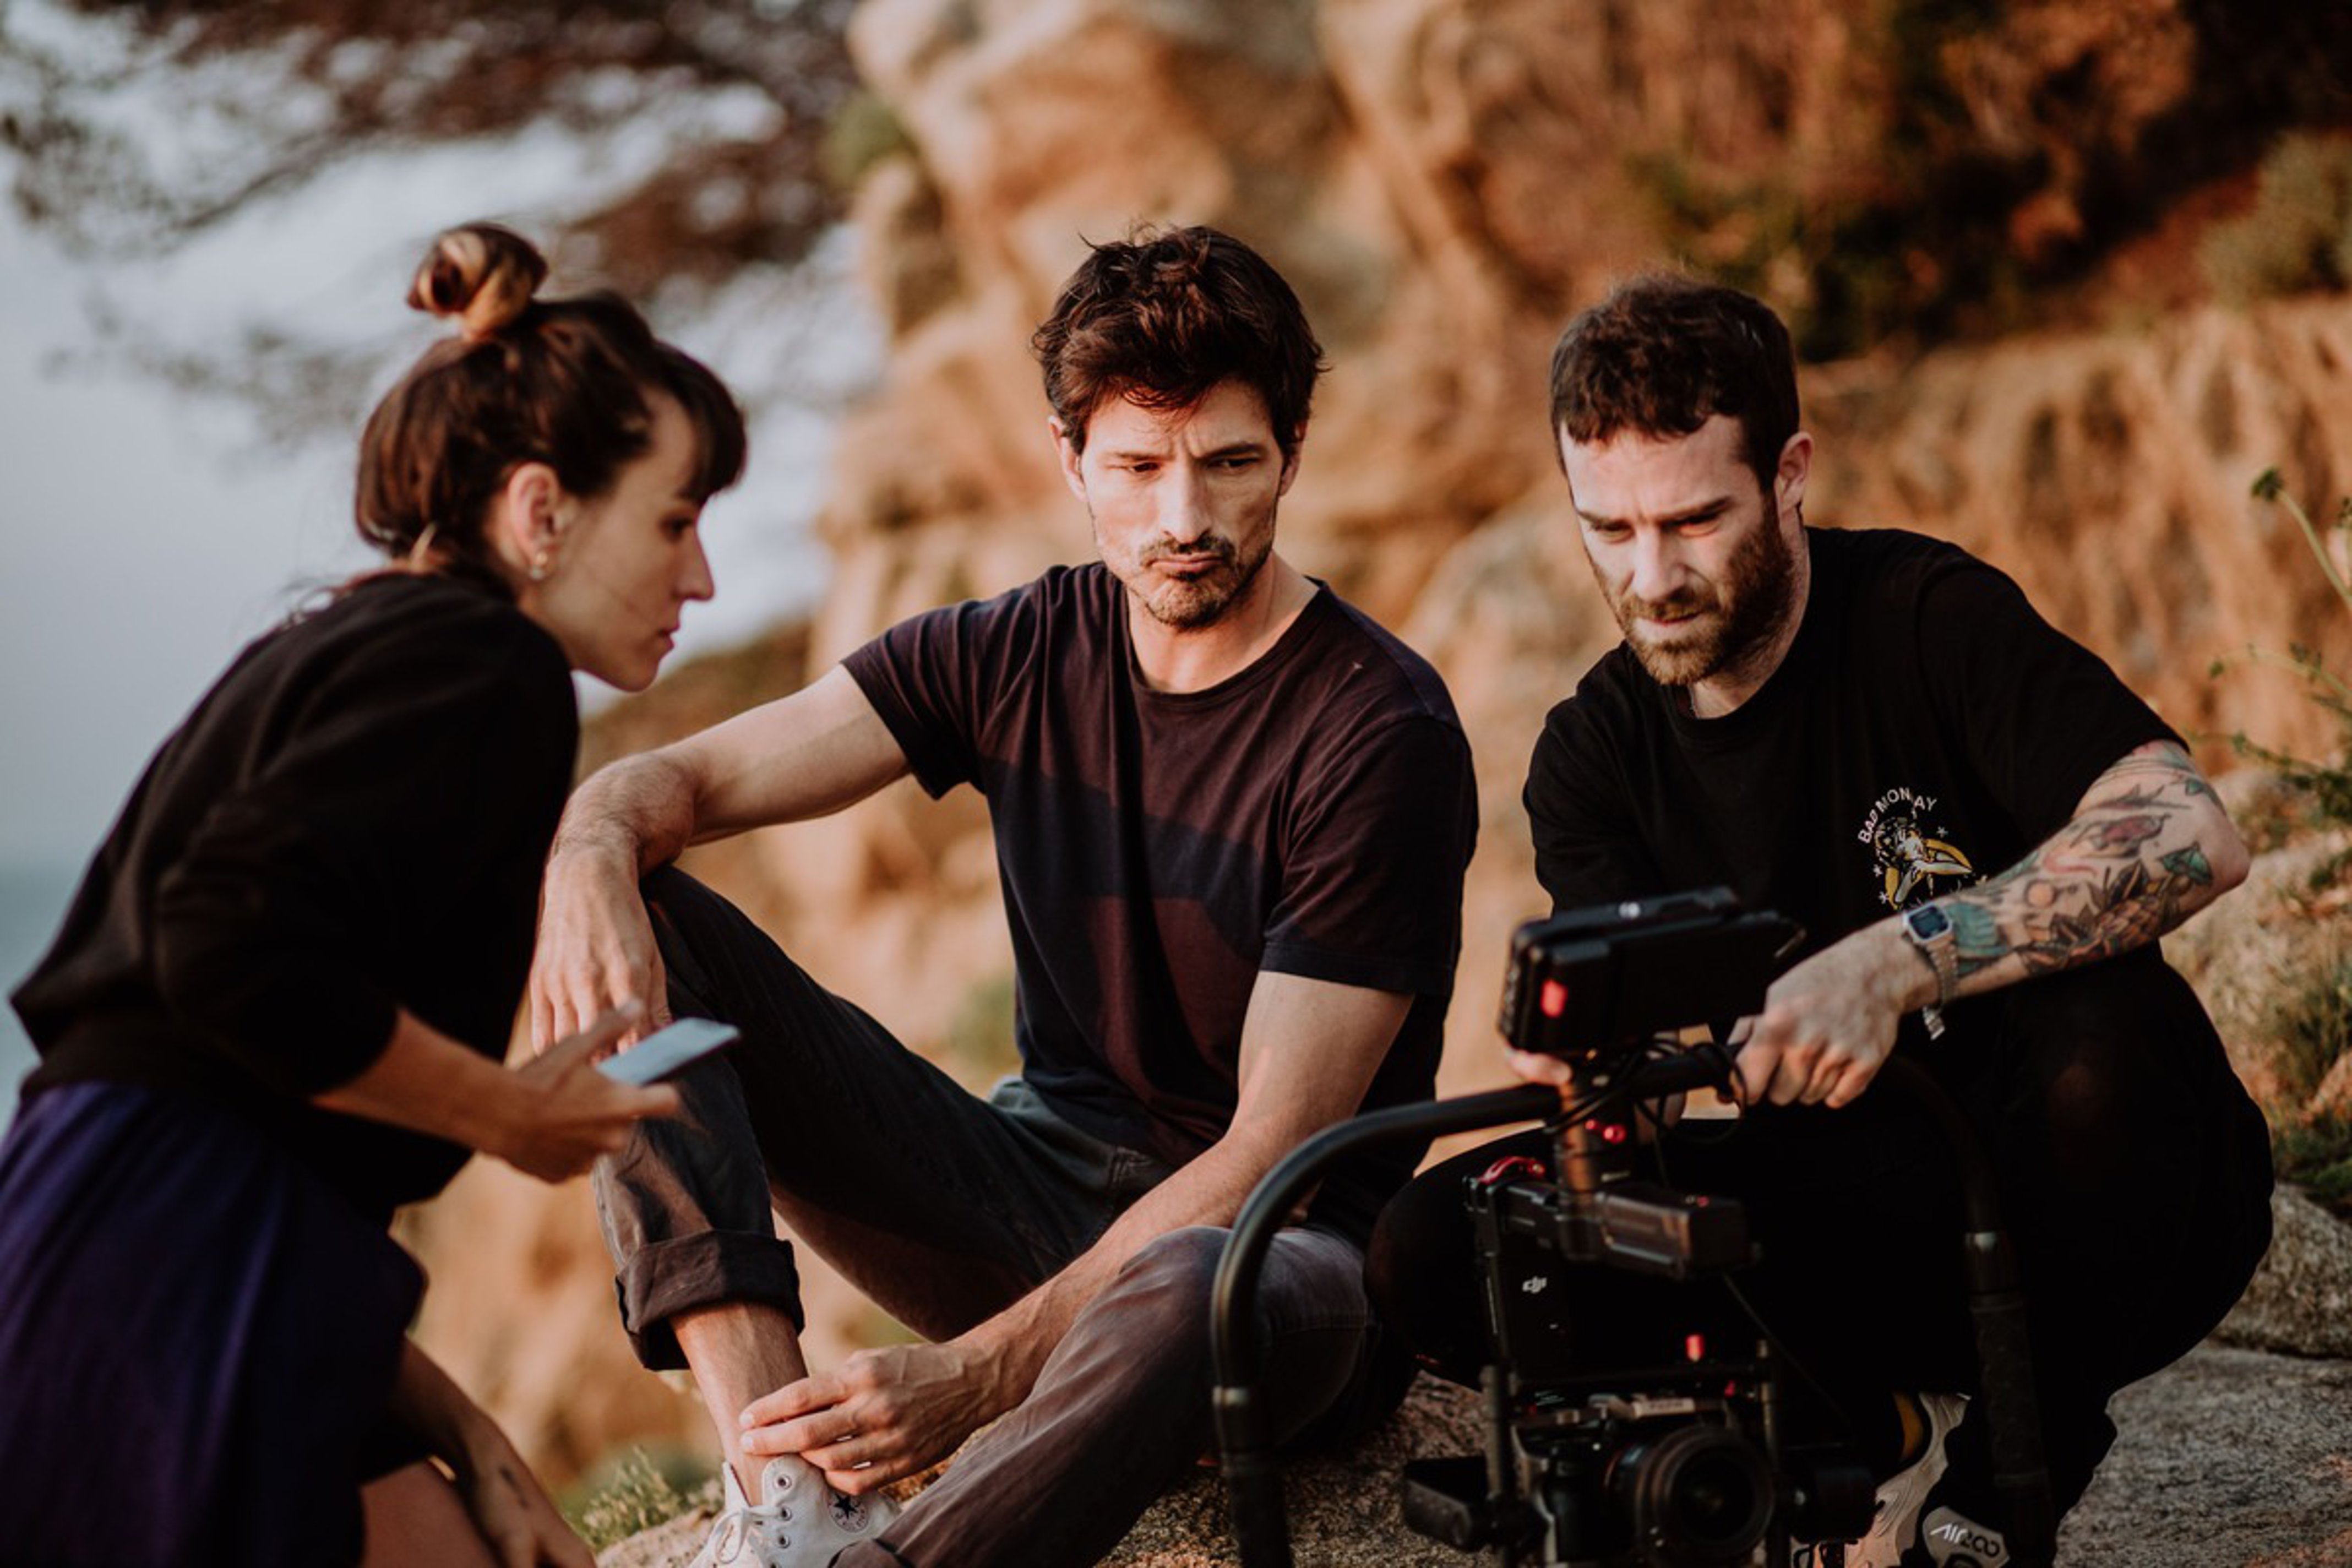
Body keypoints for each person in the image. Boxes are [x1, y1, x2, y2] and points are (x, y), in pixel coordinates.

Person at [529, 223, 1479, 1568]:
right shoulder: (1016, 647)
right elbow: (676, 778)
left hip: (1276, 1270)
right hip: (1032, 1200)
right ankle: (782, 1497)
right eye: (1138, 469)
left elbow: (1270, 1145)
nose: (1184, 519)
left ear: (1296, 448)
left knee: (1189, 1273)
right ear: (1068, 458)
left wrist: (975, 1377)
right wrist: (584, 856)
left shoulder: (1378, 729)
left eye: (1229, 463)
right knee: (648, 920)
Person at [1369, 275, 2273, 1567]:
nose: (1653, 576)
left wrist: (1896, 964)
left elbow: (2195, 829)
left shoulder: (1925, 618)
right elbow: (1643, 1060)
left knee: (2112, 1021)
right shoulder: (1591, 752)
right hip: (1836, 1222)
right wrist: (1602, 1092)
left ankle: (2007, 1471)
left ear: (1790, 473)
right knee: (1431, 1247)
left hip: (2077, 1195)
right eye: (1609, 529)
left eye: (1694, 519)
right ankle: (1875, 1422)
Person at [0, 223, 749, 1568]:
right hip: (183, 1263)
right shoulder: (489, 667)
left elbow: (201, 1043)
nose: (700, 577)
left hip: (107, 1229)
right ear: (540, 510)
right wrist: (507, 1111)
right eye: (678, 521)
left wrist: (480, 1441)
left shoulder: (331, 642)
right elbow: (226, 950)